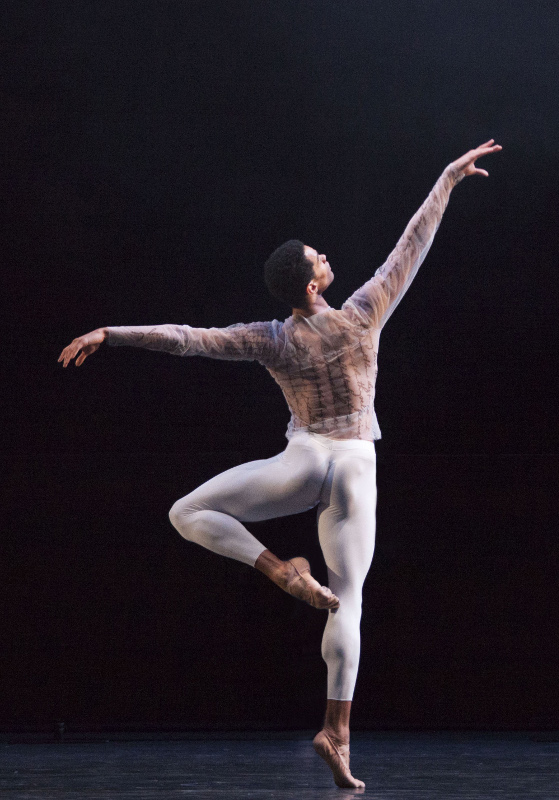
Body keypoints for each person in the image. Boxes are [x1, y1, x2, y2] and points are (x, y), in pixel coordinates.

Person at [59, 140, 501, 789]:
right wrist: (445, 180)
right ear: (312, 281)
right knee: (346, 601)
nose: (328, 258)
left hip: (301, 461)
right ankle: (336, 730)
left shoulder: (270, 338)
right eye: (320, 257)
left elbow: (188, 339)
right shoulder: (360, 316)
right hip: (353, 464)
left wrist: (111, 334)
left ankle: (278, 571)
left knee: (187, 511)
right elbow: (411, 248)